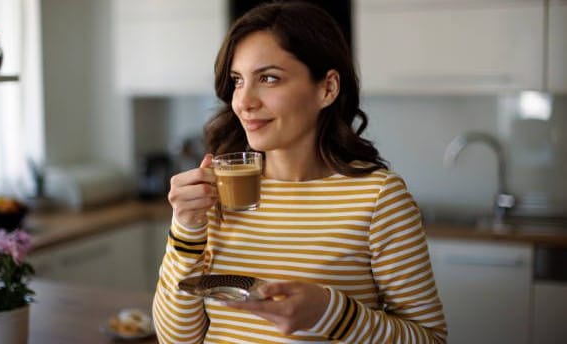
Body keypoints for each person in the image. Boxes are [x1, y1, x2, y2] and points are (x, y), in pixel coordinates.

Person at [153, 2, 447, 343]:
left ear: (327, 88)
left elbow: (430, 339)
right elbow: (175, 339)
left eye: (268, 78)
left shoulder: (379, 198)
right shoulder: (219, 193)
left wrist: (332, 314)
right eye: (237, 81)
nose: (244, 101)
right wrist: (186, 230)